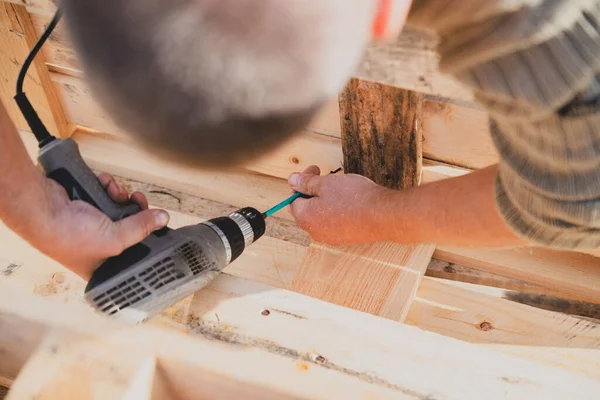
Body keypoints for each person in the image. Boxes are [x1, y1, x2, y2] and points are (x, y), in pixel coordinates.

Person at [1, 0, 599, 281]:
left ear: (384, 20)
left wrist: (381, 216)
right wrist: (37, 210)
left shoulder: (547, 25)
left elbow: (571, 193)